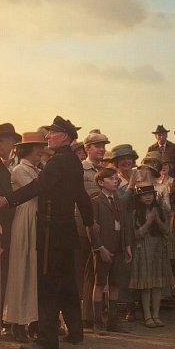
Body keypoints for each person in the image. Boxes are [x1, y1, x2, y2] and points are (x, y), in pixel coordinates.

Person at [0, 116, 94, 349]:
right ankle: (76, 332)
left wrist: (7, 200)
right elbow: (81, 195)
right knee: (67, 283)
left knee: (48, 285)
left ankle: (47, 338)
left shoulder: (56, 163)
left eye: (52, 133)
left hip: (50, 230)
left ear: (64, 136)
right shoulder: (74, 162)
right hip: (67, 229)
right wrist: (89, 220)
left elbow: (37, 187)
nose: (47, 137)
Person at [2, 132, 46, 343]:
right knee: (22, 269)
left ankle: (33, 321)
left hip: (37, 219)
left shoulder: (38, 170)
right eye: (37, 147)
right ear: (27, 149)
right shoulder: (20, 170)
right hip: (25, 218)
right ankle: (17, 322)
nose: (41, 151)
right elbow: (36, 191)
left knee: (34, 270)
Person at [87, 168, 133, 333]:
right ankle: (97, 322)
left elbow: (125, 225)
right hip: (103, 248)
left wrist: (127, 246)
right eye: (111, 178)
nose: (116, 181)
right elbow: (91, 228)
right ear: (101, 182)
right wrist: (100, 248)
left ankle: (113, 321)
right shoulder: (96, 201)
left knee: (115, 284)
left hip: (118, 247)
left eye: (116, 178)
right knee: (100, 283)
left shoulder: (119, 201)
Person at [0, 123, 21, 338]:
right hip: (3, 226)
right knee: (3, 274)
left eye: (2, 140)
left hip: (24, 222)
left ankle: (22, 318)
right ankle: (4, 321)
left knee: (22, 271)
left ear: (13, 142)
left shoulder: (24, 165)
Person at [77, 130, 110, 330]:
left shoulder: (106, 171)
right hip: (83, 227)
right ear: (87, 148)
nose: (102, 149)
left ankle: (92, 315)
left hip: (101, 230)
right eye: (97, 146)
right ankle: (82, 315)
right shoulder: (81, 170)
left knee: (96, 273)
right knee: (82, 271)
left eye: (103, 146)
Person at [129, 182, 171, 329]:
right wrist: (148, 222)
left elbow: (166, 230)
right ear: (139, 197)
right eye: (144, 195)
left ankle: (156, 315)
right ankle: (147, 315)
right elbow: (136, 234)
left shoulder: (159, 210)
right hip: (144, 247)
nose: (148, 197)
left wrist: (157, 219)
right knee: (146, 284)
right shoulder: (136, 212)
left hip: (158, 247)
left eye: (150, 194)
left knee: (157, 284)